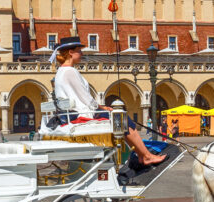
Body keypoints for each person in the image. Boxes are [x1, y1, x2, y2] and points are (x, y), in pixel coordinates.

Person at [52, 36, 165, 166]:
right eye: (79, 50)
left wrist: (101, 107)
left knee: (121, 119)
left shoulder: (62, 71)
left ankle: (141, 154)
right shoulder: (69, 71)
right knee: (123, 120)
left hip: (71, 114)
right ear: (71, 52)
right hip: (80, 115)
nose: (82, 53)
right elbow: (85, 98)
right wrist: (102, 107)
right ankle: (146, 156)